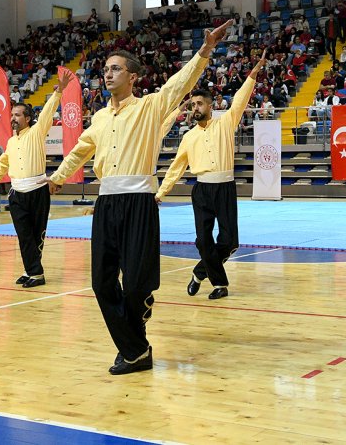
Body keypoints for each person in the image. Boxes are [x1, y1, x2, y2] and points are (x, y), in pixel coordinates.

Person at [47, 20, 232, 375]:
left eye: (116, 69)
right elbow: (80, 150)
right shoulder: (99, 118)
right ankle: (136, 349)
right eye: (105, 69)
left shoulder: (150, 106)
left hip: (139, 202)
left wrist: (204, 51)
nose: (108, 73)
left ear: (132, 77)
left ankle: (134, 350)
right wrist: (56, 178)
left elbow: (180, 84)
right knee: (102, 283)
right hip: (106, 203)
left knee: (135, 284)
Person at [156, 51, 266, 300]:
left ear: (210, 106)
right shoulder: (188, 137)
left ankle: (199, 273)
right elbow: (176, 167)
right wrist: (161, 192)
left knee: (229, 241)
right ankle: (219, 284)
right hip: (202, 191)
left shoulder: (226, 123)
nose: (195, 108)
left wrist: (253, 74)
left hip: (225, 188)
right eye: (193, 105)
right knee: (203, 240)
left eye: (199, 104)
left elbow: (240, 100)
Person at [0, 70, 68, 288]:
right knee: (24, 235)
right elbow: (4, 161)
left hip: (37, 191)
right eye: (12, 115)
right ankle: (34, 271)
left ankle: (32, 271)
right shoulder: (11, 141)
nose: (13, 118)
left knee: (36, 234)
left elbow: (47, 113)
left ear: (27, 118)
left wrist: (59, 92)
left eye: (17, 115)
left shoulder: (36, 132)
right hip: (17, 193)